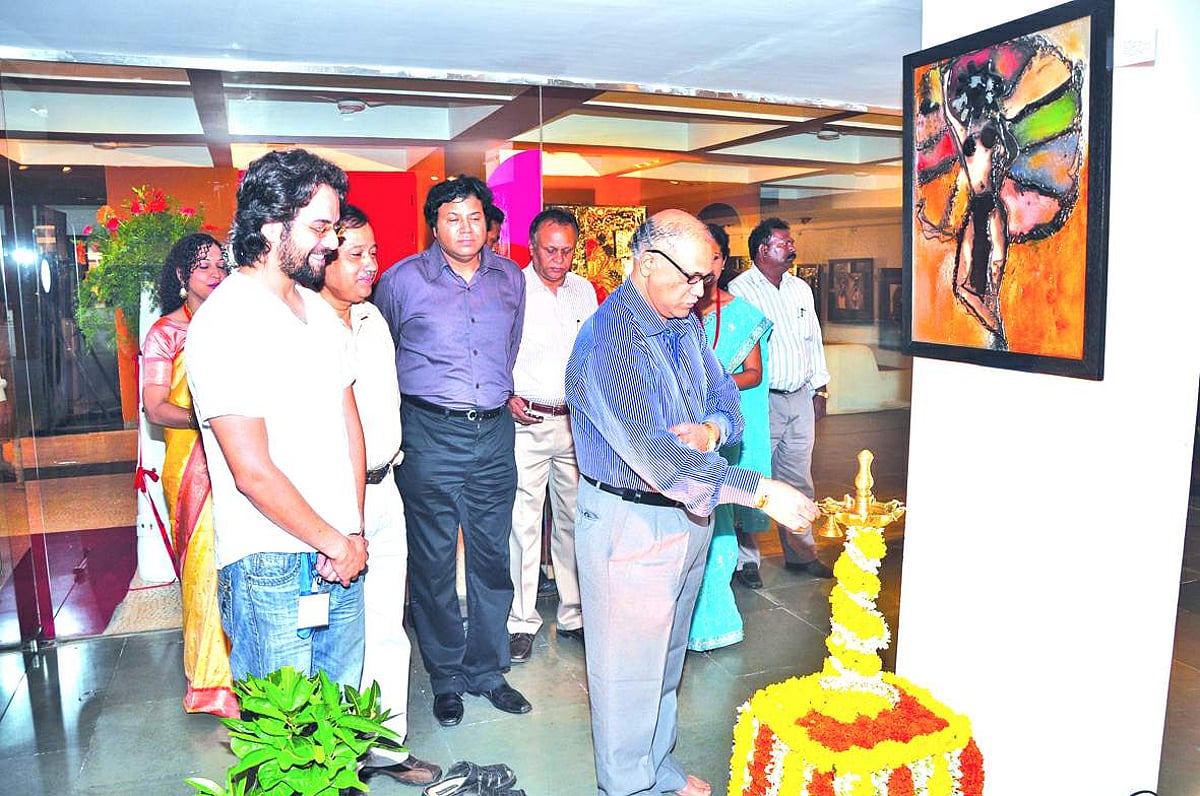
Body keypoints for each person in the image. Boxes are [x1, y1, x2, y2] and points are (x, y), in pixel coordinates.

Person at [565, 209, 820, 796]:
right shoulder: (609, 339)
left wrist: (707, 430)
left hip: (688, 513)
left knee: (666, 658)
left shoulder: (680, 322)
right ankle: (626, 785)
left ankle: (656, 768)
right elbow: (657, 459)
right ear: (647, 263)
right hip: (629, 521)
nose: (702, 292)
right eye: (692, 278)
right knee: (627, 672)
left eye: (708, 278)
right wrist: (758, 488)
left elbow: (728, 403)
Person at [186, 148, 369, 688]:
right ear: (270, 226)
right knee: (284, 744)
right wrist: (336, 543)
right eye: (319, 226)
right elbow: (253, 471)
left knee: (343, 728)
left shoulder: (319, 312)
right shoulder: (227, 321)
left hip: (341, 551)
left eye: (334, 227)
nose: (332, 242)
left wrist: (351, 531)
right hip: (271, 562)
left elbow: (349, 429)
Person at [373, 174, 529, 727]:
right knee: (434, 563)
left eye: (474, 217)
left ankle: (487, 670)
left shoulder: (511, 278)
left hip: (493, 436)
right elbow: (381, 356)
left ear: (488, 223)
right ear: (434, 225)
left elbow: (507, 352)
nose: (465, 228)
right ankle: (445, 675)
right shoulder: (400, 282)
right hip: (429, 435)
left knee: (492, 558)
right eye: (451, 218)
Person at [317, 205, 441, 786]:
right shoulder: (302, 325)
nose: (372, 264)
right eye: (356, 254)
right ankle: (334, 757)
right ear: (321, 259)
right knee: (335, 635)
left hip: (386, 488)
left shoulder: (372, 319)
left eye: (374, 251)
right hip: (332, 503)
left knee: (389, 626)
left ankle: (386, 747)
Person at [141, 232, 235, 717]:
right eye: (204, 268)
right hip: (194, 464)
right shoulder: (166, 333)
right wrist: (211, 417)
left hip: (243, 457)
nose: (216, 275)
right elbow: (155, 406)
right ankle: (212, 684)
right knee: (204, 569)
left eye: (221, 265)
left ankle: (253, 670)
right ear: (182, 277)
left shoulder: (241, 325)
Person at [505, 208, 597, 663]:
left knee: (575, 520)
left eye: (566, 250)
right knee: (523, 524)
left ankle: (575, 613)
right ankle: (521, 620)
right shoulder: (513, 288)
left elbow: (595, 353)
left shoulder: (585, 292)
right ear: (532, 246)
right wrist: (505, 394)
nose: (558, 259)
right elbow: (496, 348)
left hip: (575, 424)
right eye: (549, 250)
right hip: (528, 423)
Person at [728, 217, 833, 587]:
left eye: (790, 243)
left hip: (800, 398)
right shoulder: (740, 291)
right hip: (760, 401)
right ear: (762, 249)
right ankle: (747, 562)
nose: (791, 249)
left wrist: (820, 389)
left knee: (800, 480)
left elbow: (812, 340)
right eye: (783, 243)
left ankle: (802, 554)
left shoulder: (800, 289)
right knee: (753, 478)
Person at [686, 224, 773, 652]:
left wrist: (711, 387)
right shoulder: (671, 309)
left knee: (716, 520)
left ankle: (713, 619)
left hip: (721, 431)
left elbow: (754, 374)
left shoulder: (742, 315)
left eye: (716, 258)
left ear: (723, 261)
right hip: (672, 434)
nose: (708, 268)